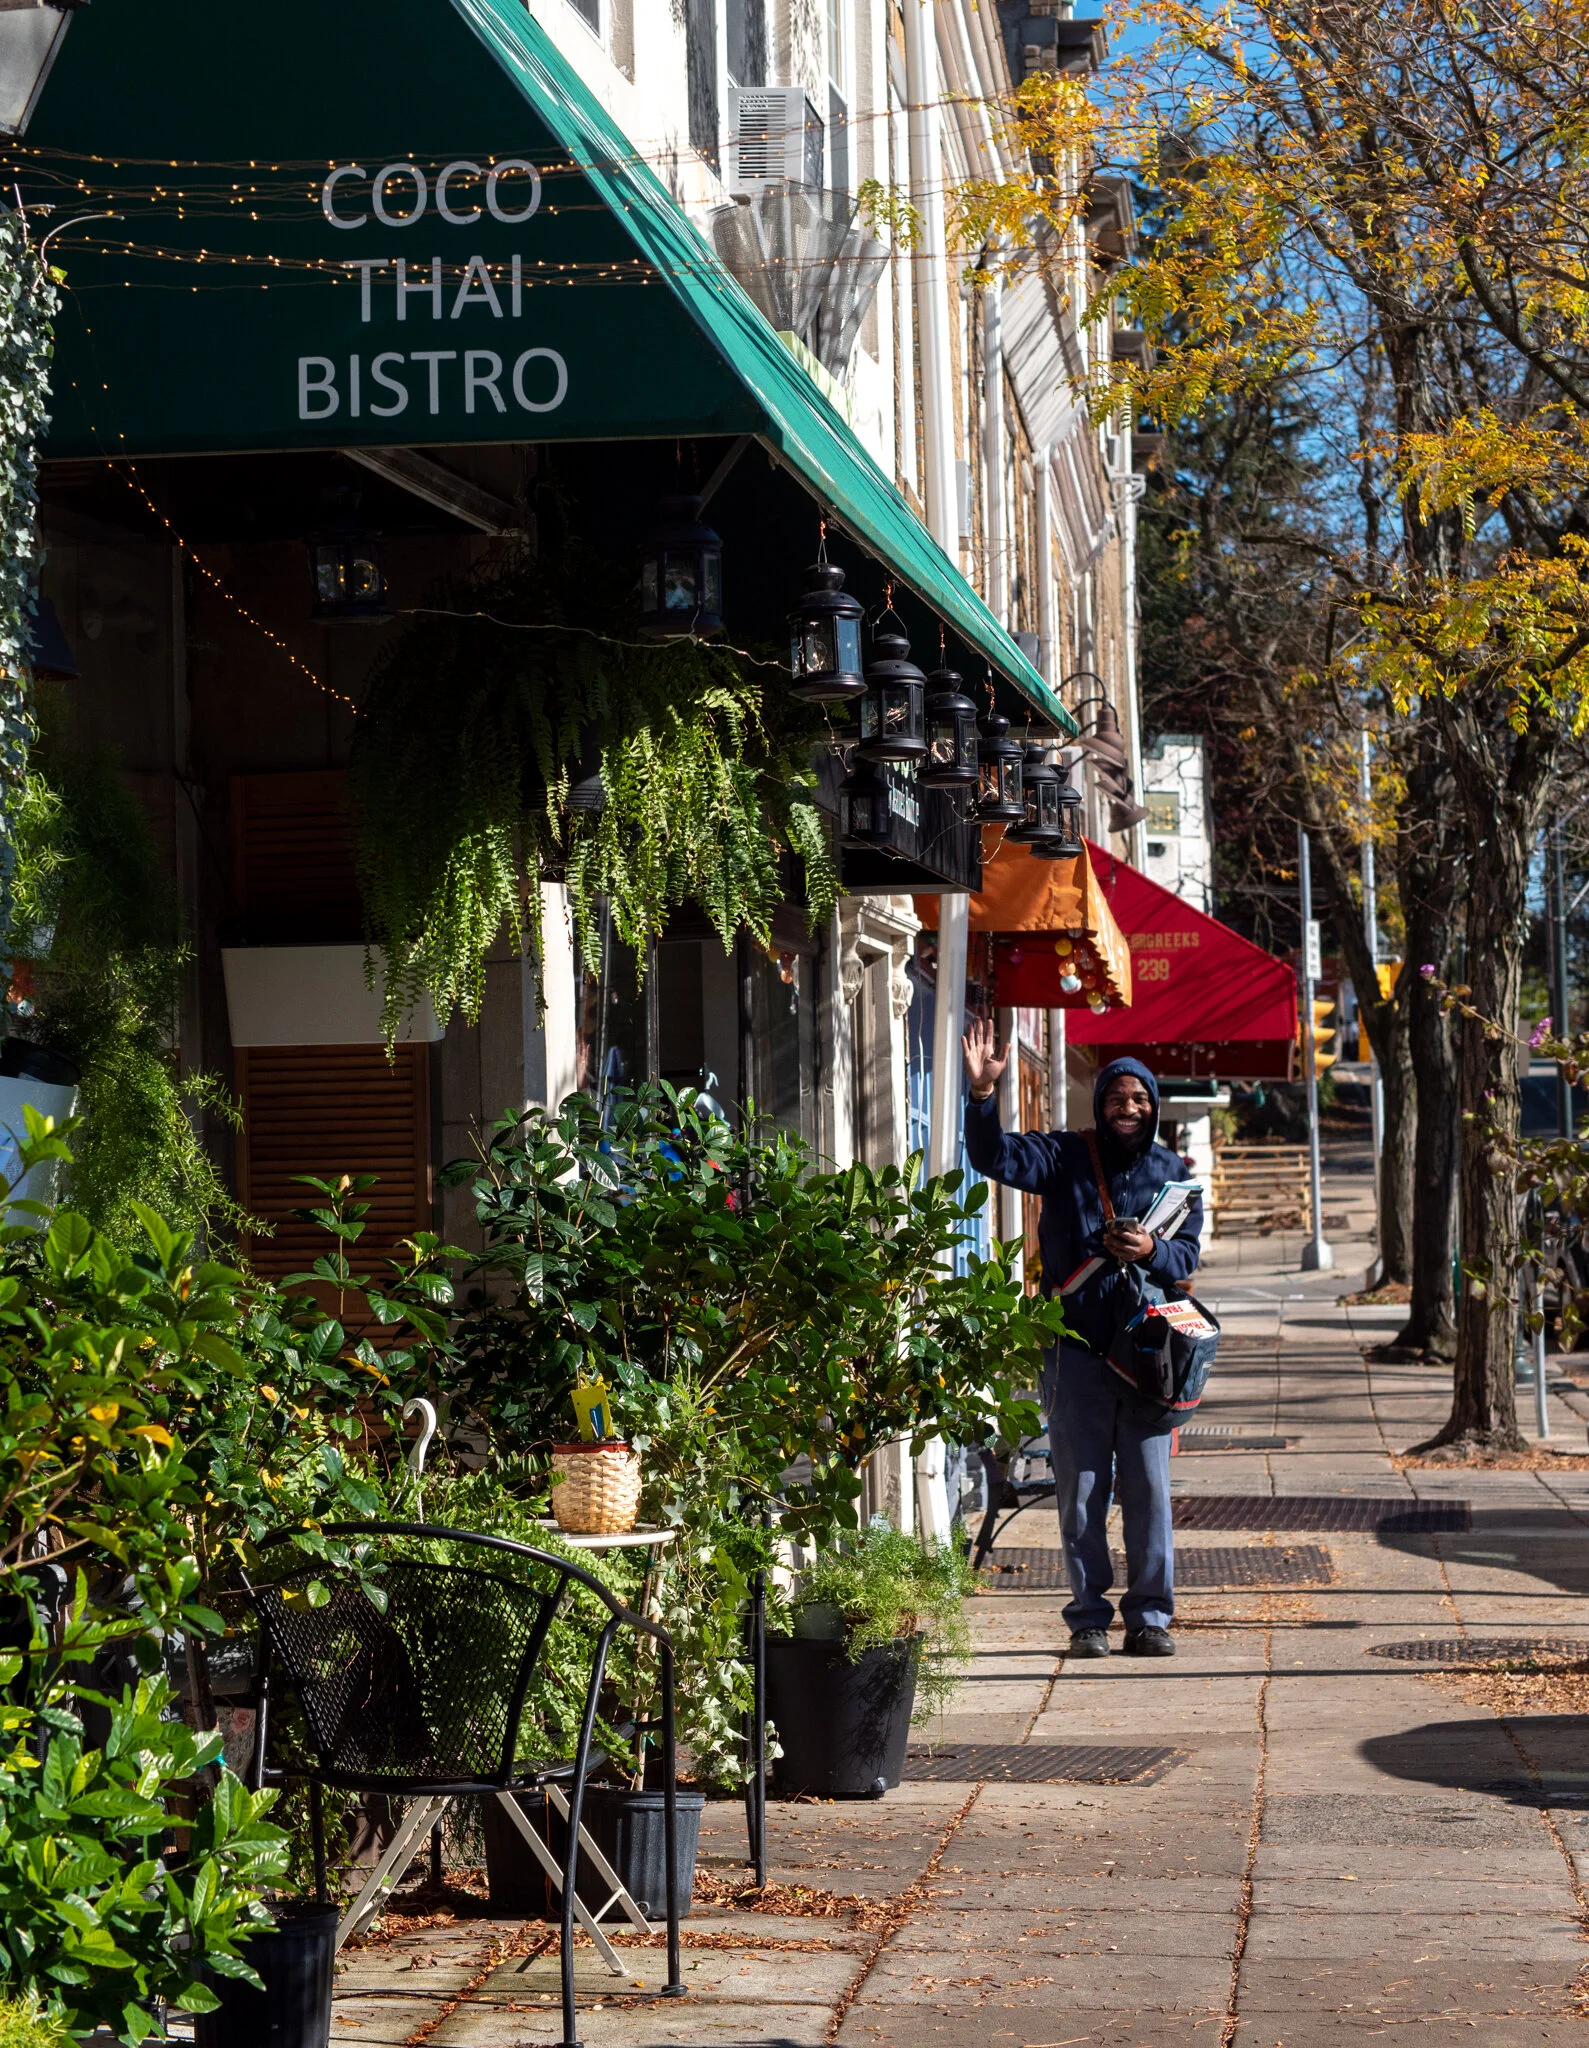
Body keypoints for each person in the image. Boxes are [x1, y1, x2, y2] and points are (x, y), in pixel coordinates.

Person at [961, 1023, 1204, 1659]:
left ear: (1154, 1106)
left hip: (1149, 1359)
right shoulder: (1065, 1155)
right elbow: (995, 1159)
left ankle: (1150, 1617)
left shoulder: (1173, 1173)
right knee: (1082, 1491)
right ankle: (1089, 1617)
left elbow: (1186, 1254)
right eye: (1117, 1098)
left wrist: (1151, 1248)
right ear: (1099, 1104)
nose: (1128, 1108)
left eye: (1139, 1099)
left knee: (1149, 1490)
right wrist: (982, 1098)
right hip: (1073, 1350)